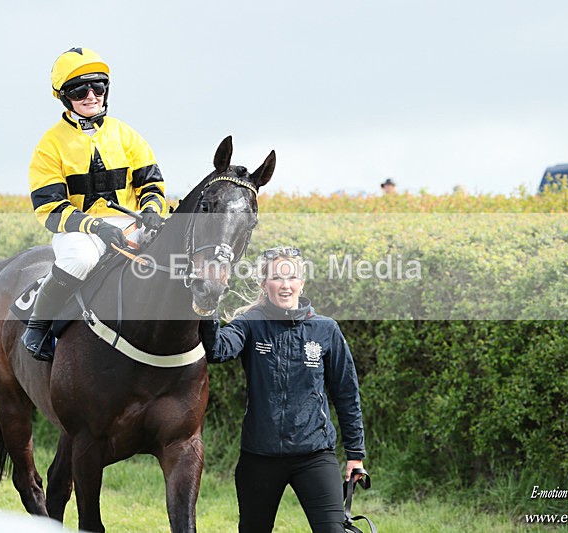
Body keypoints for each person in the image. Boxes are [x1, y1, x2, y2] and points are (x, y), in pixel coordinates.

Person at [198, 246, 366, 533]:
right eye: (277, 278)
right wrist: (208, 307)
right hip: (259, 456)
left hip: (314, 454)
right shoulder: (251, 323)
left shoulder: (326, 329)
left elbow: (346, 393)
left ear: (301, 282)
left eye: (291, 278)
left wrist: (355, 454)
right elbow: (217, 350)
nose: (285, 285)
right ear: (265, 284)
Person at [21, 47, 167, 361]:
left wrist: (153, 211)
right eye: (79, 90)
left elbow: (152, 183)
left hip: (131, 224)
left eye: (98, 87)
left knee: (177, 253)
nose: (91, 96)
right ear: (63, 96)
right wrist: (95, 226)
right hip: (79, 231)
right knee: (81, 259)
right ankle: (38, 325)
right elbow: (49, 207)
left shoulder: (126, 135)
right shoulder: (49, 145)